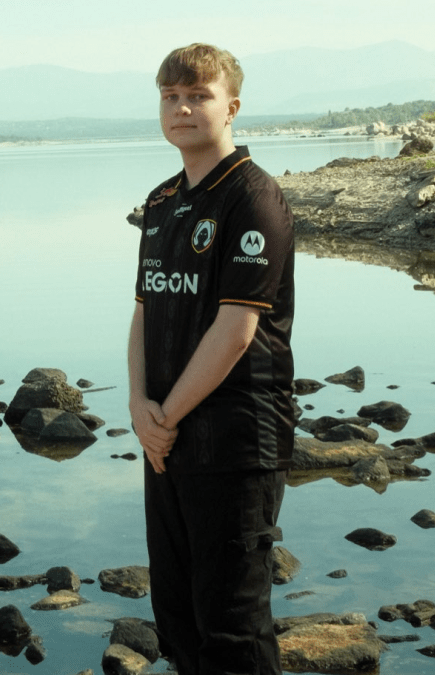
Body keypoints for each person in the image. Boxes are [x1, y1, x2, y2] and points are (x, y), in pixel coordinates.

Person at [127, 43, 295, 675]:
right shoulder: (162, 201)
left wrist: (163, 416)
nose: (182, 108)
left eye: (198, 95)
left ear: (232, 106)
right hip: (167, 441)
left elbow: (235, 330)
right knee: (176, 616)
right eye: (170, 96)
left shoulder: (253, 198)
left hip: (235, 442)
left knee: (233, 627)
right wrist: (140, 408)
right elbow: (145, 311)